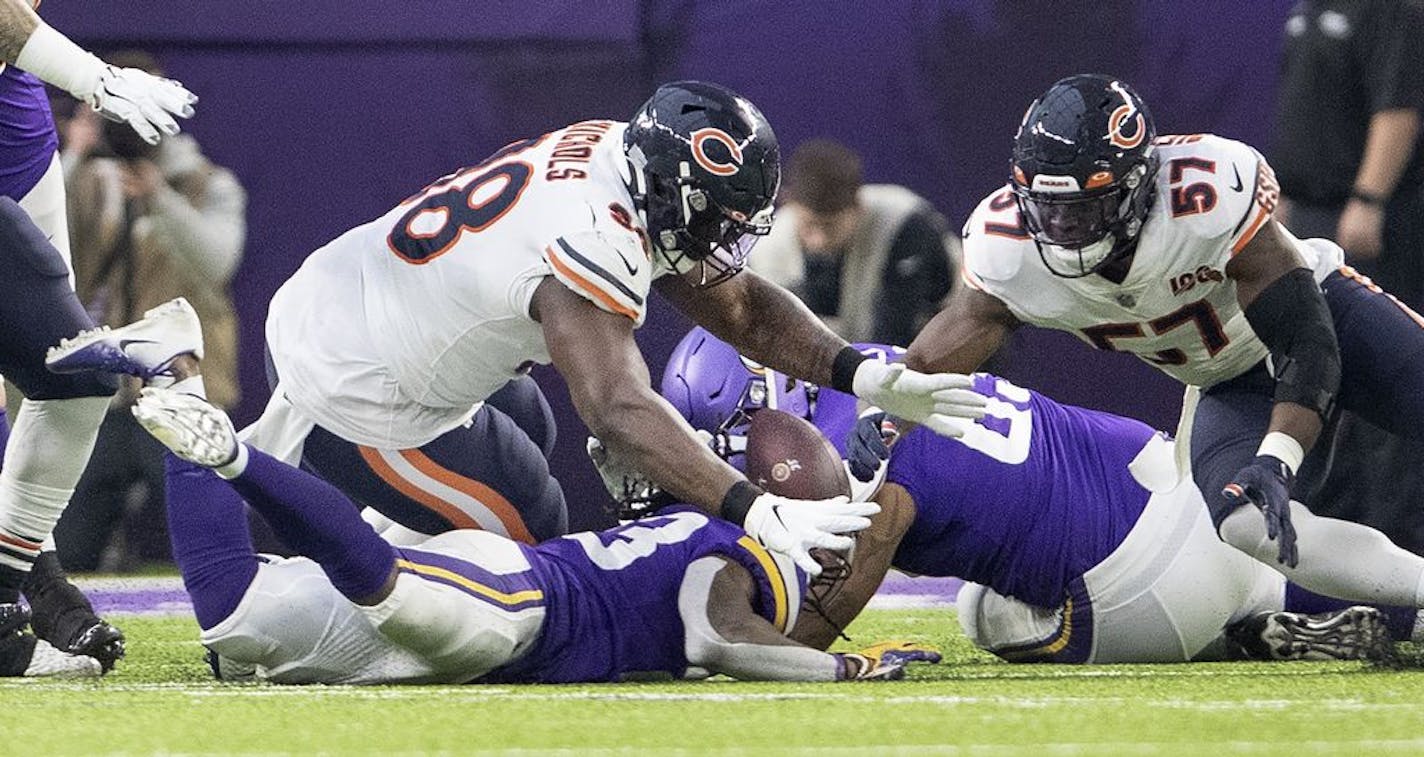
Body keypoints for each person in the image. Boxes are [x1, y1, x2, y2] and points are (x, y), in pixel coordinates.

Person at [205, 80, 985, 577]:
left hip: (337, 293)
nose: (726, 241)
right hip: (360, 383)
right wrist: (752, 505)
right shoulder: (595, 229)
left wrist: (861, 372)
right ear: (671, 193)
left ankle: (353, 503)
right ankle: (301, 566)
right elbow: (614, 405)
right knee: (534, 542)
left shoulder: (625, 154)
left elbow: (742, 305)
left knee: (530, 417)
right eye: (717, 219)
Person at [901, 73, 1424, 614]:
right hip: (1227, 379)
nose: (1063, 226)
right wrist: (887, 416)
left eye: (1085, 207)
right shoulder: (1007, 251)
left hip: (1323, 318)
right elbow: (937, 353)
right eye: (1047, 207)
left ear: (1138, 182)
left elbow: (1305, 341)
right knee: (1246, 523)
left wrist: (1278, 456)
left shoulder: (1205, 195)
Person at [660, 330, 1410, 664]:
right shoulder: (883, 366)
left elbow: (813, 635)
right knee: (1272, 572)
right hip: (1167, 481)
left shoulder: (842, 466)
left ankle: (1238, 637)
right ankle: (1396, 605)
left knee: (979, 613)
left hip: (1137, 584)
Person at [124, 383, 939, 685]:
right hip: (521, 603)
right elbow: (718, 633)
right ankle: (233, 457)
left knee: (235, 622)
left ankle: (175, 380)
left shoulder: (704, 521)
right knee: (392, 589)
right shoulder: (730, 554)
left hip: (495, 608)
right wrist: (841, 665)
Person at [0, 0, 196, 674]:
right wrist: (96, 80)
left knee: (72, 373)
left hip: (15, 126)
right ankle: (31, 593)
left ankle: (22, 584)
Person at [55, 49, 246, 571]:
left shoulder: (210, 183)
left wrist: (160, 197)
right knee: (72, 545)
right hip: (110, 395)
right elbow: (47, 247)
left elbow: (218, 263)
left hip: (189, 387)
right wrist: (75, 153)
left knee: (199, 546)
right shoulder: (90, 184)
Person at [1269, 1, 1424, 556]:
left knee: (1382, 367)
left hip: (1370, 217)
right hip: (1310, 212)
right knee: (1312, 363)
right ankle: (1325, 527)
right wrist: (1282, 197)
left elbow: (1399, 109)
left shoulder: (1393, 10)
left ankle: (1399, 537)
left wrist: (1369, 199)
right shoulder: (1306, 10)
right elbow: (1302, 115)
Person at [748, 139, 957, 347]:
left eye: (830, 226)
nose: (818, 240)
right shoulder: (767, 246)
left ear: (858, 207)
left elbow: (895, 335)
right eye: (808, 225)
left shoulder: (904, 224)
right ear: (788, 203)